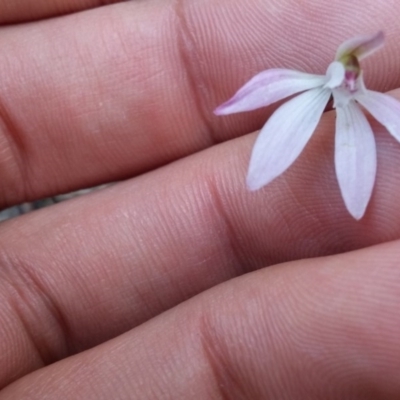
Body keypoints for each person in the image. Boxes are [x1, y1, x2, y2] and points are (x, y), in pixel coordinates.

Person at [0, 1, 399, 398]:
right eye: (348, 71)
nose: (350, 78)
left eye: (354, 73)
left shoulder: (363, 100)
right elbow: (249, 99)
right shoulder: (299, 86)